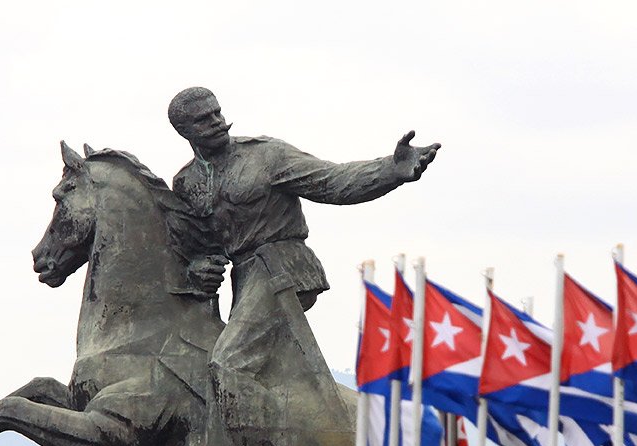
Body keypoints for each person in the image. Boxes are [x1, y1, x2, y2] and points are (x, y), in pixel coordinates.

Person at [168, 86, 439, 392]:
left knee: (230, 363)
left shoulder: (266, 154)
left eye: (218, 112)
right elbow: (199, 245)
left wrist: (392, 169)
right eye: (205, 119)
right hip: (244, 282)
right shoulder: (187, 182)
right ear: (184, 131)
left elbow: (333, 182)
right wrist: (200, 267)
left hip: (284, 269)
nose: (217, 121)